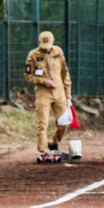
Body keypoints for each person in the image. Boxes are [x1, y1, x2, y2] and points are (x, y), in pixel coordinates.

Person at [24, 30, 72, 162]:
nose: (46, 49)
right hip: (43, 93)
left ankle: (53, 141)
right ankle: (43, 150)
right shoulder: (33, 55)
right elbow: (28, 75)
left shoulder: (58, 52)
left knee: (64, 122)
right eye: (44, 47)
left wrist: (68, 93)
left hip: (60, 92)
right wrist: (43, 81)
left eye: (49, 46)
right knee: (42, 123)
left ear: (53, 42)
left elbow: (65, 72)